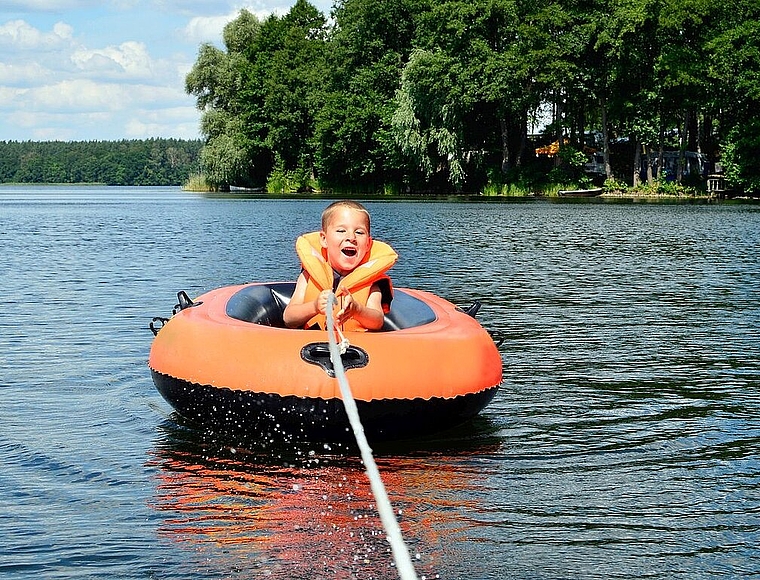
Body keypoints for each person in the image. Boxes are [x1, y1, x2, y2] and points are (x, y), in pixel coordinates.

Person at [283, 200, 397, 331]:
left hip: (355, 347)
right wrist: (314, 306)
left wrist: (357, 310)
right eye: (341, 230)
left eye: (359, 232)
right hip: (313, 345)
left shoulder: (372, 283)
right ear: (324, 240)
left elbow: (377, 321)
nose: (351, 237)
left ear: (368, 244)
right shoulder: (308, 276)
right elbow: (288, 318)